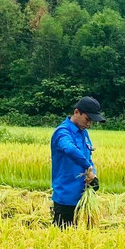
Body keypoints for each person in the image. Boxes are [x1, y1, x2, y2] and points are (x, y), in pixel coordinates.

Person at [50, 96, 104, 227]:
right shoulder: (62, 132)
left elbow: (88, 157)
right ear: (76, 112)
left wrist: (93, 175)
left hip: (83, 199)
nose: (89, 124)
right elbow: (69, 149)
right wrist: (87, 167)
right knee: (63, 241)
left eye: (91, 121)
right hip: (66, 199)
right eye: (87, 119)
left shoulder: (83, 133)